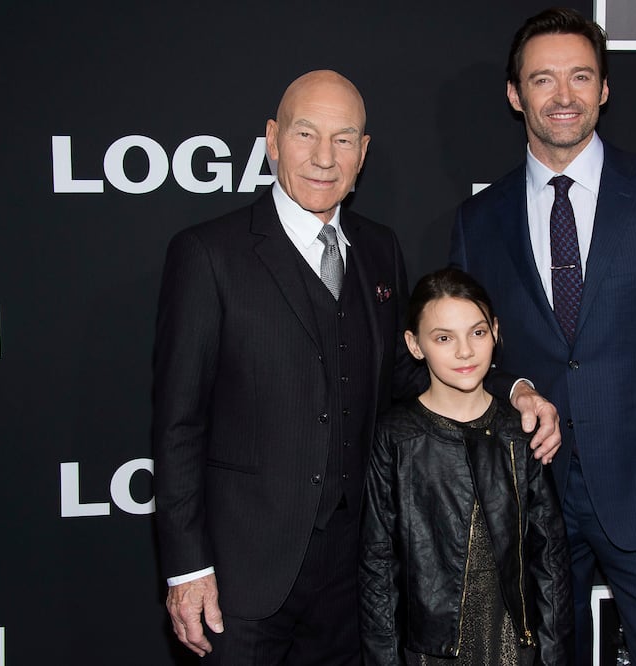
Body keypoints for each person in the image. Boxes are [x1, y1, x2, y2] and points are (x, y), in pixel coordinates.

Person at [152, 70, 560, 665]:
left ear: (363, 153)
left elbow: (411, 372)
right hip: (243, 576)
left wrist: (513, 389)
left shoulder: (379, 248)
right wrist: (188, 568)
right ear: (271, 139)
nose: (324, 157)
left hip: (355, 572)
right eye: (305, 134)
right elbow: (177, 424)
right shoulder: (208, 255)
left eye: (344, 139)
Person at [450, 8, 636, 665]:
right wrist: (519, 385)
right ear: (514, 95)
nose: (563, 96)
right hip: (532, 498)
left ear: (604, 88)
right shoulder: (479, 221)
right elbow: (469, 360)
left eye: (580, 77)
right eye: (542, 80)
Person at [359, 267, 573, 665]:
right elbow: (377, 569)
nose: (464, 351)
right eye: (444, 338)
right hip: (428, 653)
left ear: (494, 330)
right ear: (415, 344)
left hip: (514, 647)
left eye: (477, 332)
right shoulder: (395, 436)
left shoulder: (522, 430)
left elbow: (551, 564)